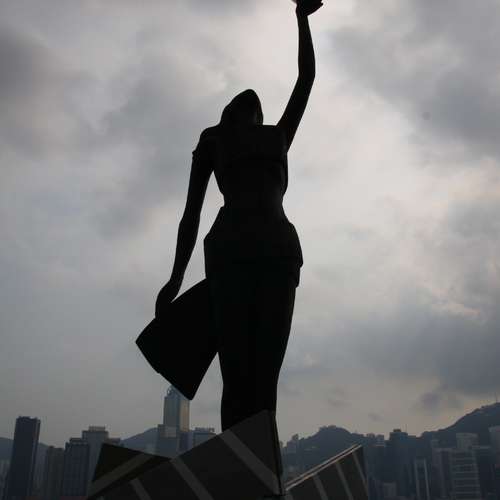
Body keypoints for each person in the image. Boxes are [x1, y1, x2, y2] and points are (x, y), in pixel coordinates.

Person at [156, 0, 322, 496]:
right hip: (247, 252)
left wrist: (302, 18)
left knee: (255, 377)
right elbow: (190, 213)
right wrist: (174, 278)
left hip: (262, 252)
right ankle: (245, 480)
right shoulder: (227, 139)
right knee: (245, 375)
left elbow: (305, 80)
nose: (251, 104)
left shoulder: (264, 137)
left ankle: (256, 480)